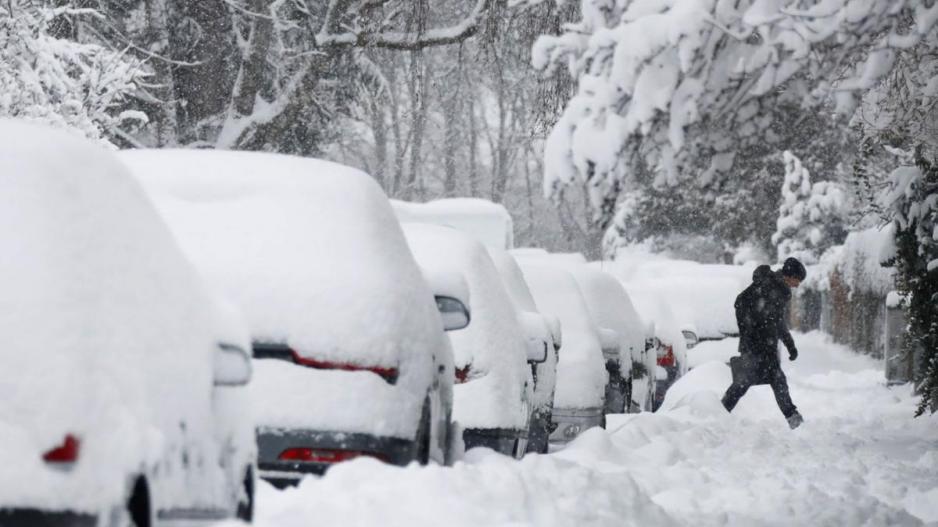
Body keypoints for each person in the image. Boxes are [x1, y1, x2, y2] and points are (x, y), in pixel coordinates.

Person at [722, 257, 807, 429]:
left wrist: (790, 344)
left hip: (764, 347)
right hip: (757, 347)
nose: (797, 285)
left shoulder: (778, 289)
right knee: (744, 383)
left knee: (767, 381)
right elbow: (741, 303)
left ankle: (793, 418)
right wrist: (754, 332)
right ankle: (719, 412)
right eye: (797, 280)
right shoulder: (771, 287)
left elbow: (777, 321)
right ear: (790, 275)